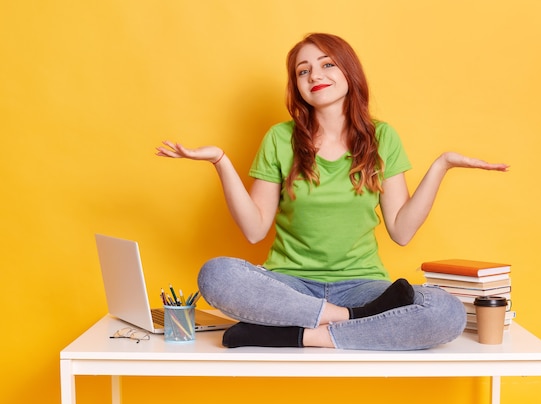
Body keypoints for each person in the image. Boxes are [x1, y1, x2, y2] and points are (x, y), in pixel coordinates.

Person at [156, 33, 508, 350]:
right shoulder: (280, 138)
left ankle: (298, 336)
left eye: (327, 64)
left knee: (446, 313)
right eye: (303, 71)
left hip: (363, 286)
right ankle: (349, 318)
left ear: (349, 73)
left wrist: (441, 165)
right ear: (296, 85)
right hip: (290, 286)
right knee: (216, 274)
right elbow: (254, 230)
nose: (315, 76)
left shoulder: (382, 138)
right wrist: (220, 161)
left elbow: (401, 231)